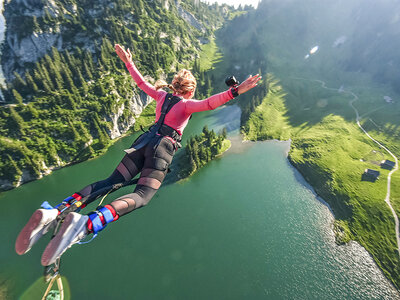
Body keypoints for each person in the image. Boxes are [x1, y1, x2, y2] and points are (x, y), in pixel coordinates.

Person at [15, 44, 261, 266]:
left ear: (174, 85)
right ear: (189, 90)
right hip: (161, 149)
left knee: (109, 182)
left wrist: (128, 62)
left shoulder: (162, 96)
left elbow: (141, 83)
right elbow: (209, 103)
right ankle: (86, 224)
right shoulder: (186, 105)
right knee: (142, 195)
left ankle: (55, 212)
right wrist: (236, 91)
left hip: (142, 142)